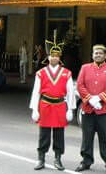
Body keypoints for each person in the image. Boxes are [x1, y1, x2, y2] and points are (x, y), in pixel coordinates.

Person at [29, 39, 75, 171]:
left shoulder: (67, 73)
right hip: (45, 106)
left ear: (59, 57)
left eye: (56, 56)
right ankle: (41, 158)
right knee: (44, 134)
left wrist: (70, 109)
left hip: (60, 106)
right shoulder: (41, 73)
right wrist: (34, 109)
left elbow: (71, 92)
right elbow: (36, 92)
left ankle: (58, 158)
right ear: (48, 57)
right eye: (51, 55)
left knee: (59, 134)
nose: (54, 58)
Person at [75, 45, 106, 174]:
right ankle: (86, 161)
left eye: (100, 53)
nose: (98, 55)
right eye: (95, 53)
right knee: (87, 138)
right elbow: (79, 85)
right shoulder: (85, 68)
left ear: (105, 55)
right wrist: (89, 99)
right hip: (88, 110)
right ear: (92, 55)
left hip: (104, 111)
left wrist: (100, 98)